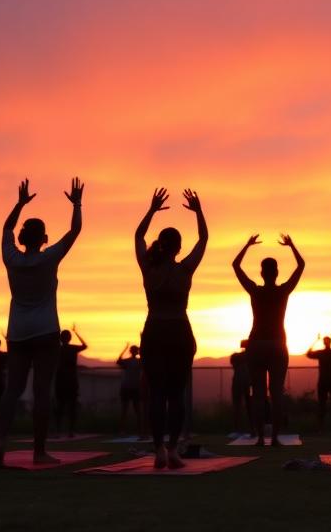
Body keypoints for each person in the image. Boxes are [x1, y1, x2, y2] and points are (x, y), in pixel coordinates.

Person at [0, 177, 84, 467]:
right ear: (44, 239)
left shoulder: (11, 258)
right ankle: (39, 452)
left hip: (18, 332)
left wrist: (19, 203)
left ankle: (0, 444)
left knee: (12, 390)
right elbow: (75, 230)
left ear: (22, 239)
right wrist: (77, 203)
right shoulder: (49, 258)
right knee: (42, 391)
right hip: (45, 331)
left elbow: (6, 228)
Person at [135, 188, 207, 469]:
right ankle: (173, 449)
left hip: (155, 331)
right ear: (177, 247)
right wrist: (199, 211)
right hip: (178, 332)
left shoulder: (149, 269)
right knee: (175, 394)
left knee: (157, 393)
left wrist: (151, 210)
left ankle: (159, 450)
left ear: (161, 245)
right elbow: (203, 239)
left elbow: (139, 237)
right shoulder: (184, 269)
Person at [233, 233, 305, 447]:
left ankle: (260, 437)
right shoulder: (283, 291)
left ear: (262, 273)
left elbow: (236, 265)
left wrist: (247, 245)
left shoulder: (255, 291)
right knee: (276, 393)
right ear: (276, 273)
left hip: (257, 344)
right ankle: (273, 437)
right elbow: (301, 265)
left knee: (258, 394)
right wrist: (291, 245)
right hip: (276, 344)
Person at [55, 325, 88, 437]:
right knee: (70, 407)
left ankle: (59, 431)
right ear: (69, 338)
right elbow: (85, 345)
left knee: (61, 406)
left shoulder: (58, 349)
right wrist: (76, 333)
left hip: (61, 381)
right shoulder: (72, 348)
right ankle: (70, 431)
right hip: (70, 381)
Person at [116, 342, 142, 436]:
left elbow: (118, 361)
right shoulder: (138, 362)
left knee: (131, 410)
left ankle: (135, 430)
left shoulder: (136, 361)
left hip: (130, 387)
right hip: (130, 387)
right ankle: (137, 430)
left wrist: (124, 349)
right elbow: (119, 361)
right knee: (134, 410)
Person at [230, 340, 254, 437]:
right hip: (247, 384)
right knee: (248, 407)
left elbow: (233, 361)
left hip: (242, 384)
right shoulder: (250, 358)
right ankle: (250, 429)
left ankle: (240, 429)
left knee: (240, 406)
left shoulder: (237, 357)